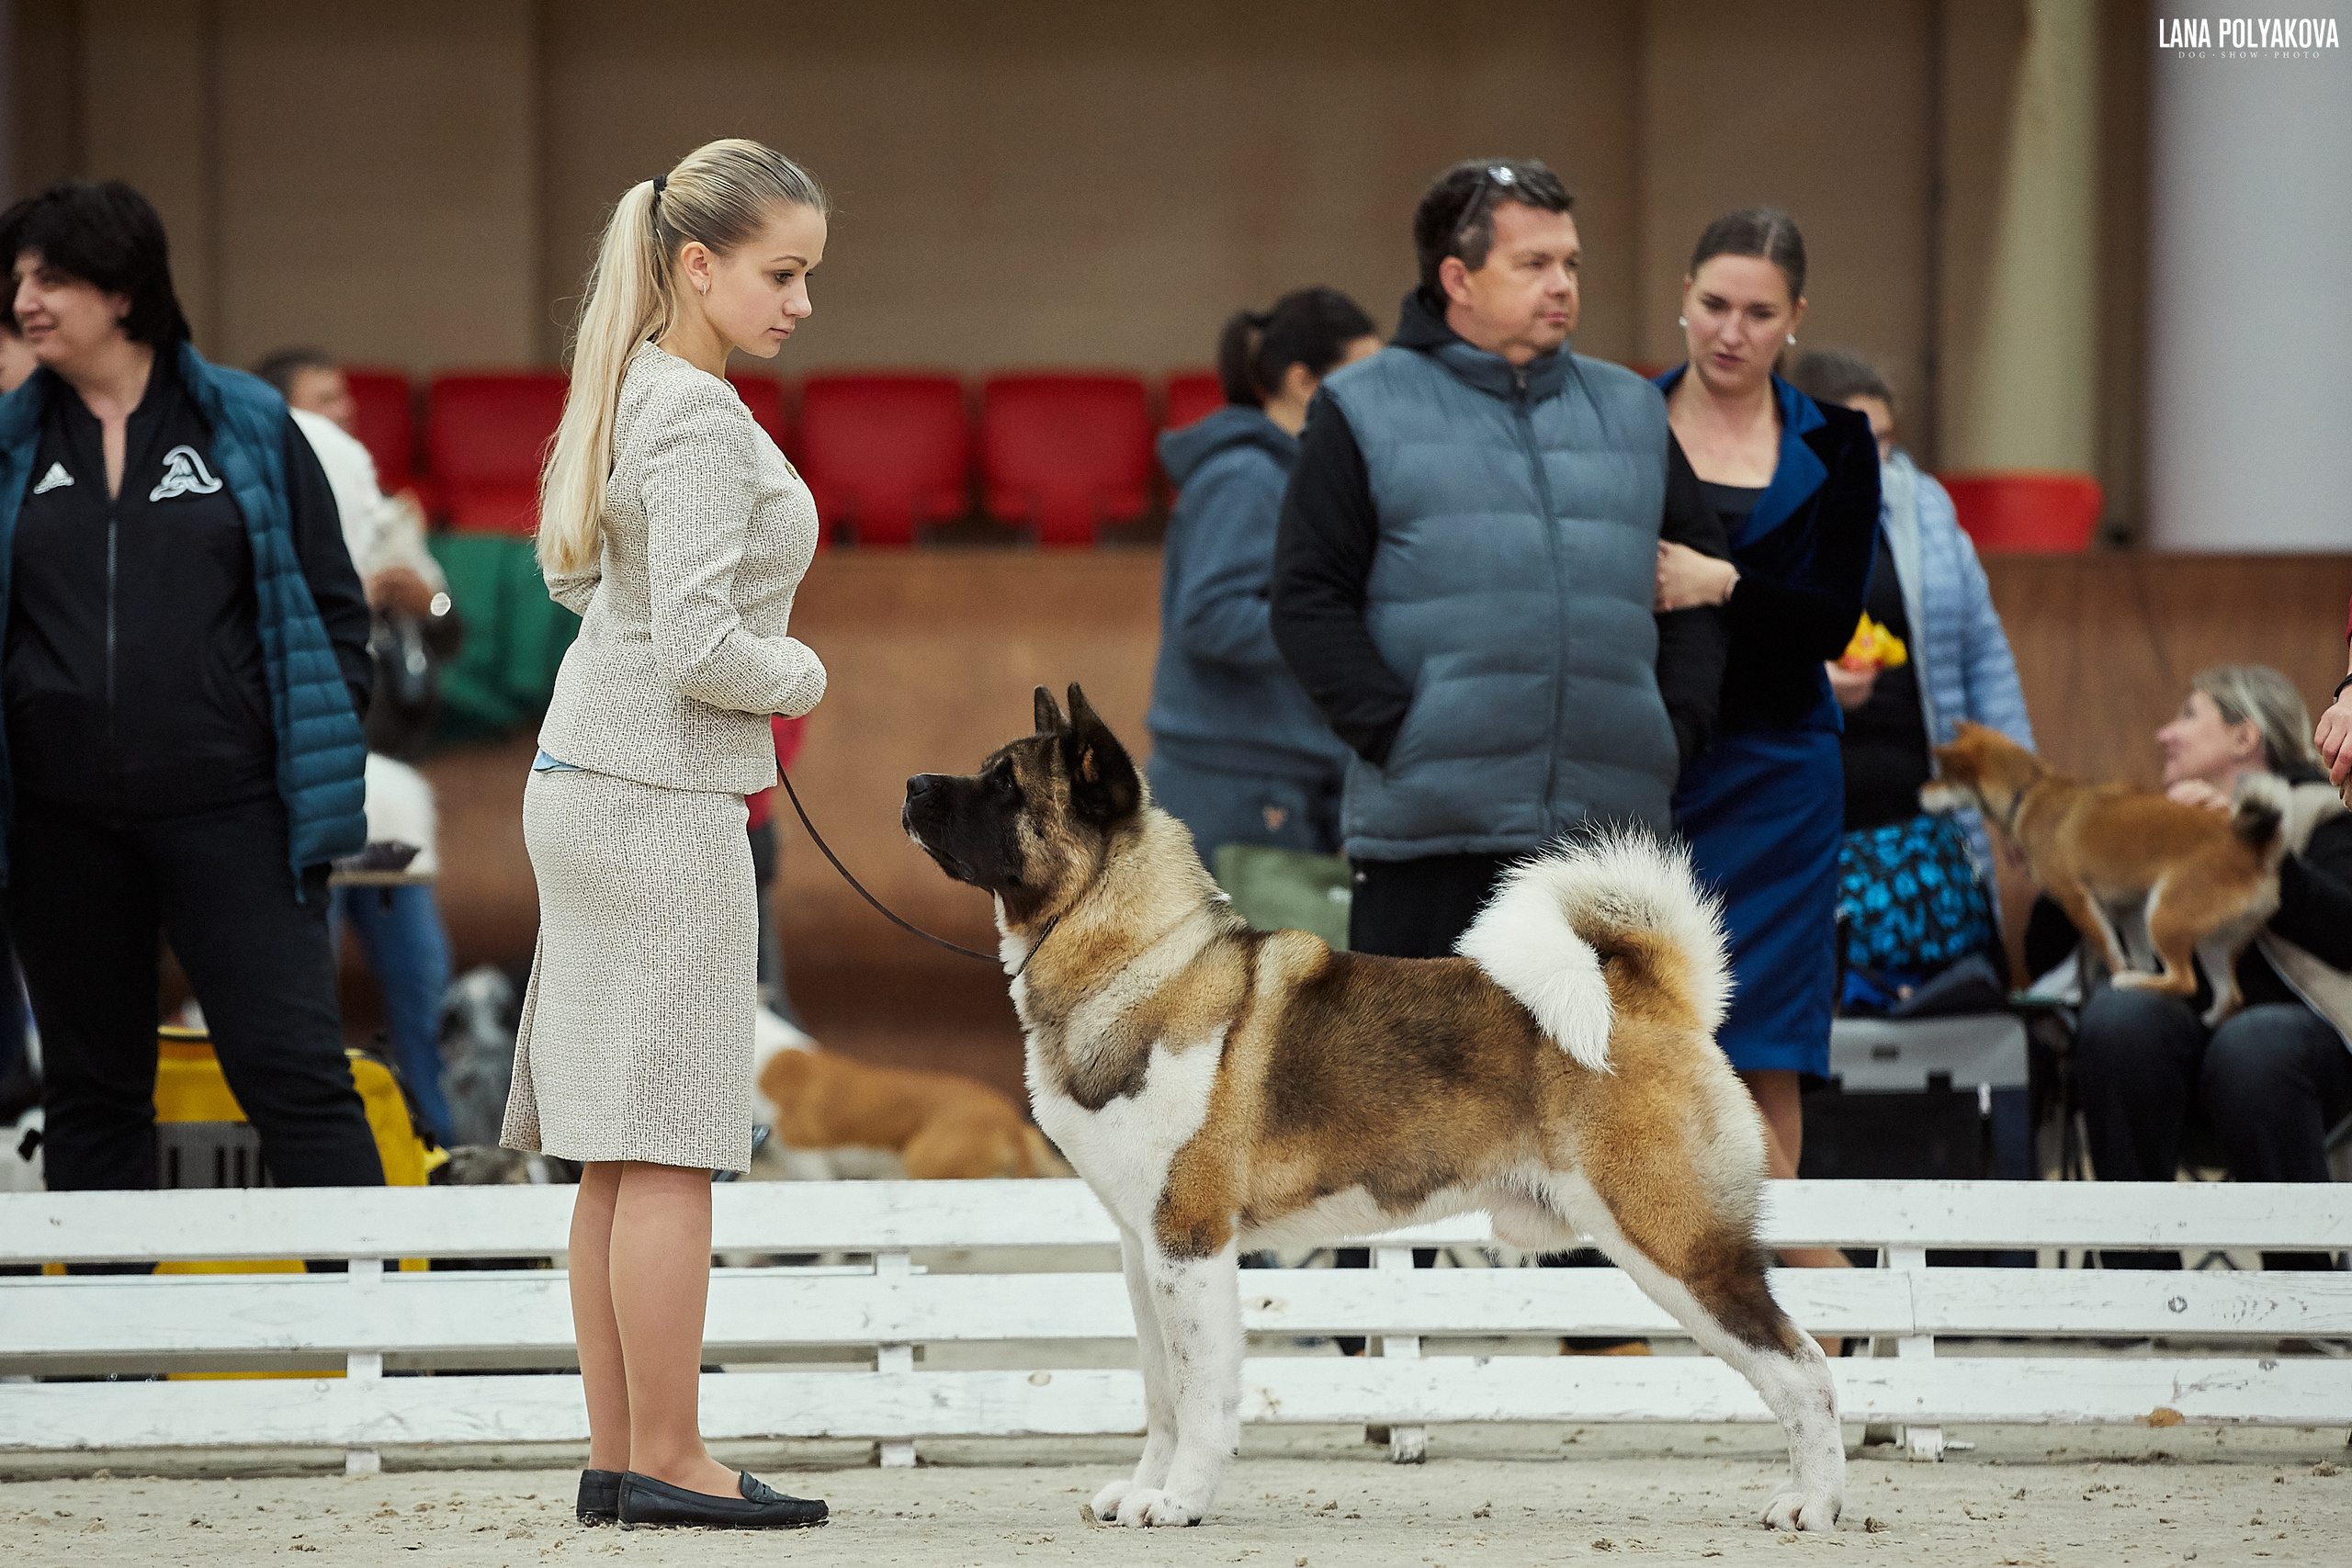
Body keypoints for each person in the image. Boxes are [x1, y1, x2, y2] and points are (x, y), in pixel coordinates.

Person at [498, 140, 831, 1531]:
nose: (802, 302)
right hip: (654, 798)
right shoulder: (697, 412)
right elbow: (701, 641)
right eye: (783, 272)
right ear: (698, 267)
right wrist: (804, 674)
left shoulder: (628, 386)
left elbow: (584, 578)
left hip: (589, 774)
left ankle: (621, 1449)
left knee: (615, 1145)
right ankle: (674, 1454)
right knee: (673, 1139)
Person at [0, 179, 385, 1196]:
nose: (26, 299)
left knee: (295, 1074)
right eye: (20, 280)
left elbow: (335, 610)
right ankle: (113, 1360)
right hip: (57, 823)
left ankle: (375, 1346)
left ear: (123, 291)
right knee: (91, 1088)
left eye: (52, 278)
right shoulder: (11, 439)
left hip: (237, 813)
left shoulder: (246, 421)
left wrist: (311, 733)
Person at [1272, 159, 1730, 962]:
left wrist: (1673, 729)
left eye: (1571, 263)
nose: (1562, 285)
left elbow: (1696, 580)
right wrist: (1400, 732)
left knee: (1601, 1089)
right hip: (1430, 843)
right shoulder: (1361, 408)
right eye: (1534, 264)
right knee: (1423, 1090)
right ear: (1460, 278)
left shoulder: (1632, 410)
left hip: (1609, 847)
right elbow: (1307, 600)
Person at [1651, 210, 1879, 1290]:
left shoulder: (1836, 438)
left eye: (1757, 312)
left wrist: (1720, 583)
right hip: (1653, 760)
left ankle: (1798, 1296)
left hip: (1785, 769)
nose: (1729, 331)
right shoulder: (1620, 416)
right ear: (1681, 297)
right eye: (1713, 304)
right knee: (1670, 1031)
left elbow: (1831, 620)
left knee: (1768, 1042)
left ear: (1795, 320)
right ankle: (1820, 1289)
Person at [2064, 666, 2352, 1269]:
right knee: (2118, 1019)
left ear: (2245, 737)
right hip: (2180, 1068)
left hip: (2304, 1069)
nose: (2166, 734)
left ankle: (2304, 1297)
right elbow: (2056, 948)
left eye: (2189, 715)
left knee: (2253, 1042)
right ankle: (2135, 1290)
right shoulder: (2162, 822)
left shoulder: (2322, 811)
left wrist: (2251, 845)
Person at [257, 346, 462, 1145]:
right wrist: (348, 586)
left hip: (388, 800)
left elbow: (447, 626)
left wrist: (425, 597)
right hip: (297, 794)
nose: (342, 410)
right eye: (323, 398)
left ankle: (442, 1151)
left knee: (421, 986)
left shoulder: (383, 508)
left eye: (346, 397)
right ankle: (306, 1159)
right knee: (300, 993)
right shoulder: (260, 501)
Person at [1148, 287, 1378, 868]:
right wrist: (1331, 628)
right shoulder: (1246, 478)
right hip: (1235, 777)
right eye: (1364, 375)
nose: (1382, 396)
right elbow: (1209, 615)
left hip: (1285, 768)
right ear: (1305, 382)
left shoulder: (1297, 475)